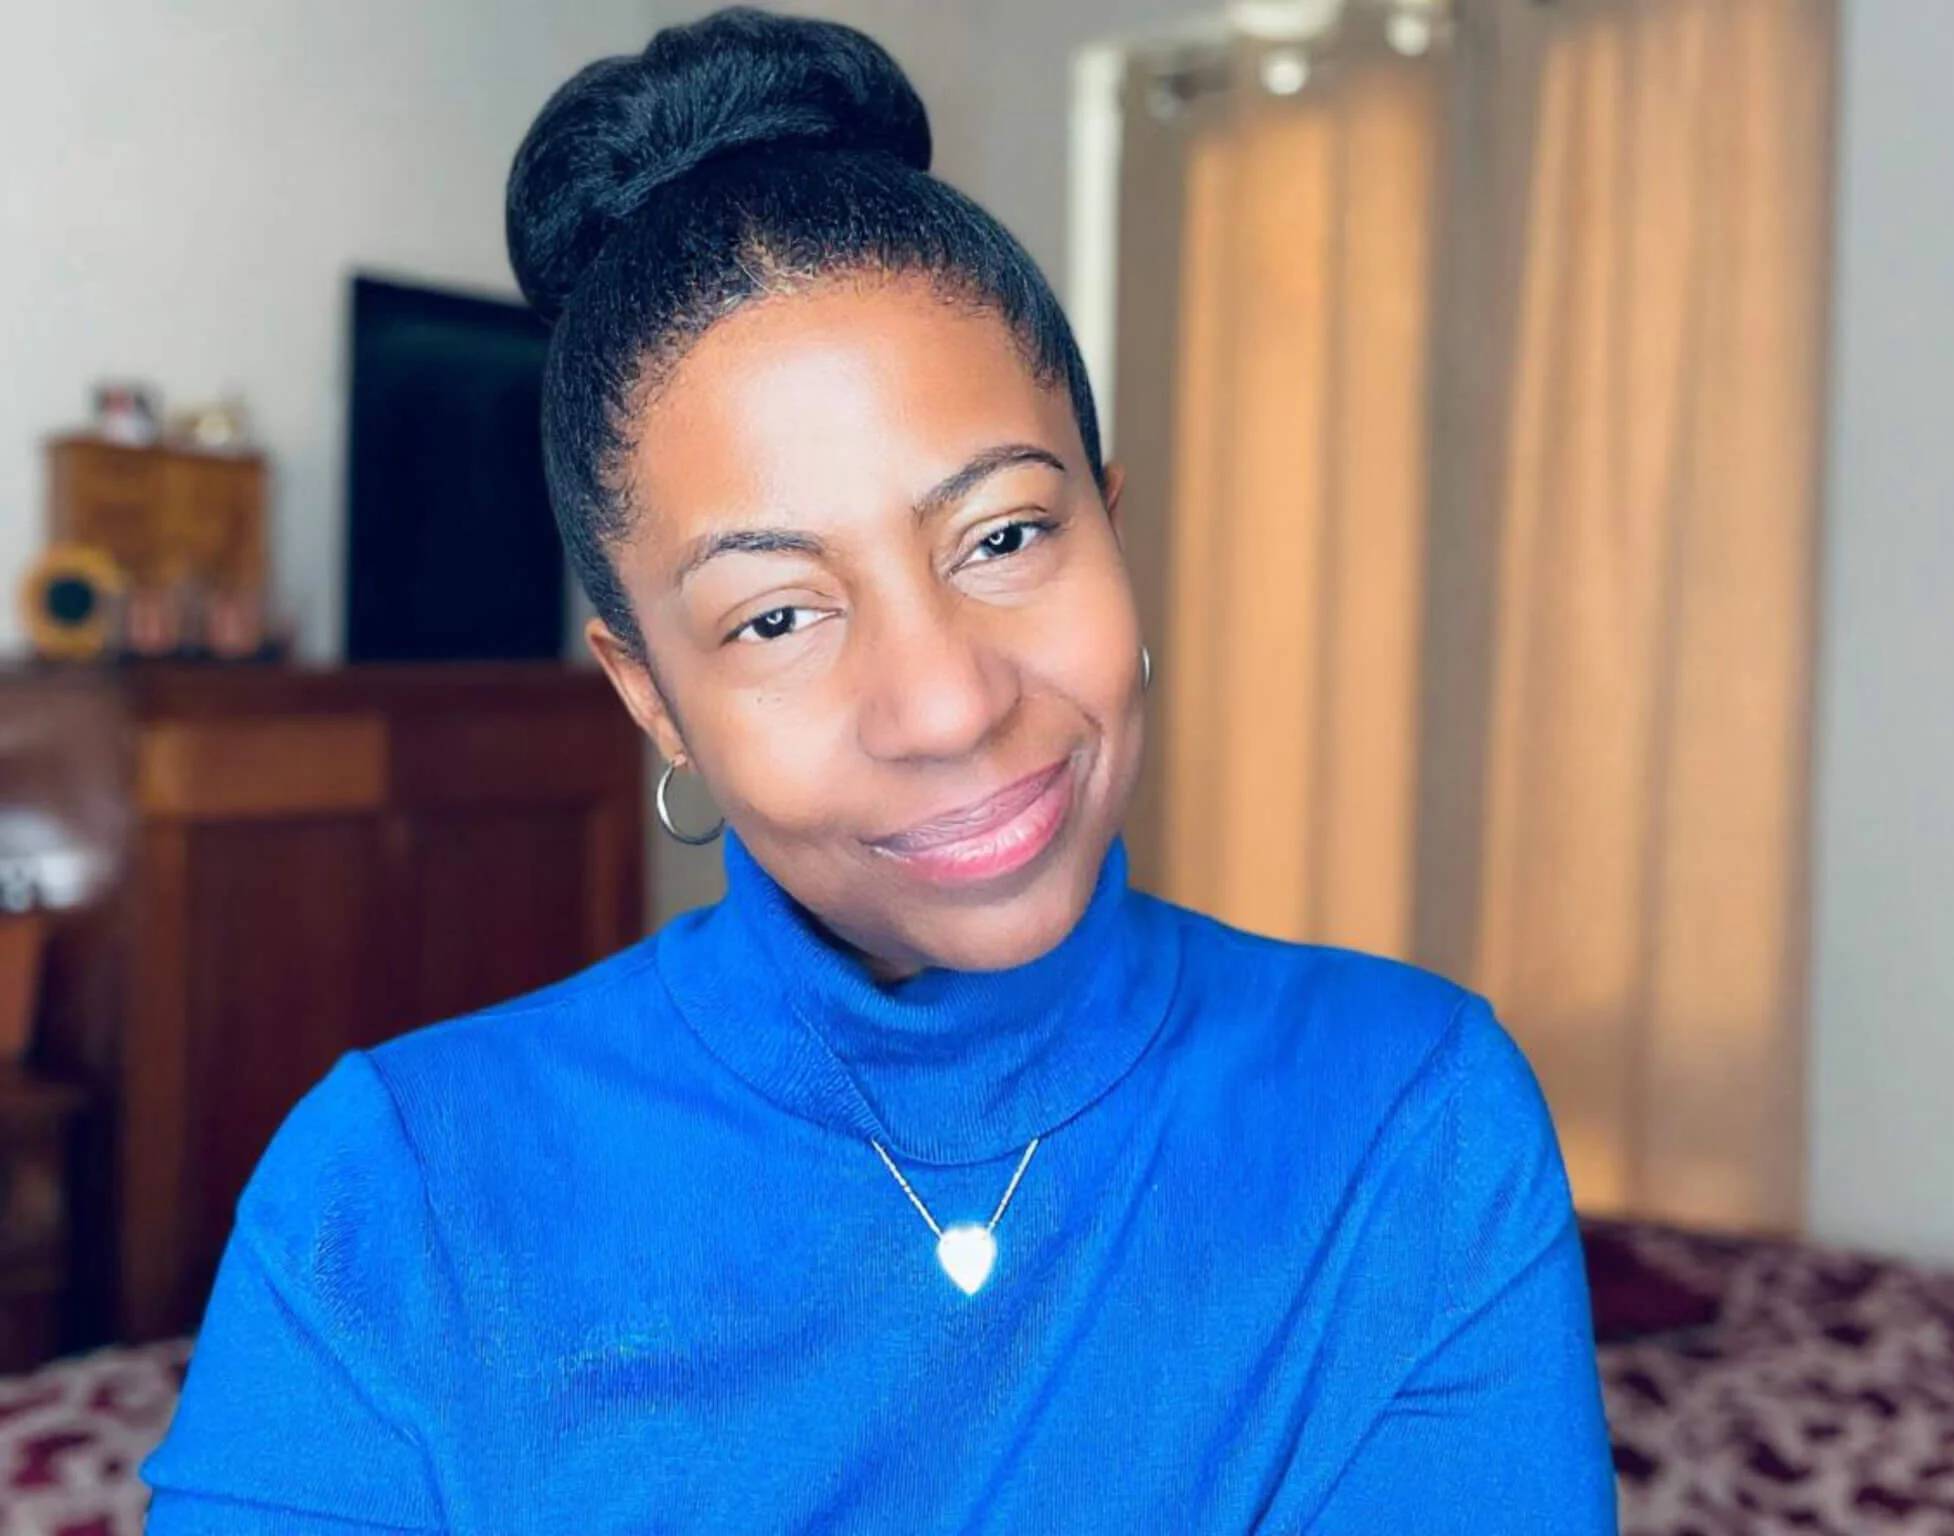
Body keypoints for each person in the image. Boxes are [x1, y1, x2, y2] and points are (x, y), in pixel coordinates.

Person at [137, 9, 1617, 1531]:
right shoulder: (392, 1201)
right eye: (777, 615)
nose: (947, 706)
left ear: (1111, 528)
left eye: (1004, 536)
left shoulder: (1413, 1122)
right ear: (653, 698)